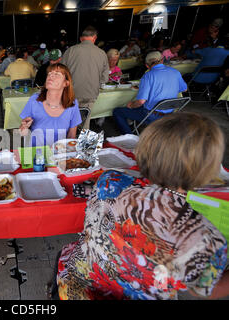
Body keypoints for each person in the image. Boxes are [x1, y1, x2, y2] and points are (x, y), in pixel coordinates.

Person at [53, 112, 229, 300]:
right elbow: (205, 289)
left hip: (74, 283)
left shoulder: (110, 180)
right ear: (208, 169)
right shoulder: (204, 237)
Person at [112, 51, 187, 134]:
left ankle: (129, 137)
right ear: (162, 60)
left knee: (118, 111)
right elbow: (184, 89)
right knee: (142, 107)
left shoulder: (148, 76)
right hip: (170, 114)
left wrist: (131, 105)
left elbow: (141, 102)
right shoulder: (175, 72)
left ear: (147, 66)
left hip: (152, 116)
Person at [19, 63, 81, 146]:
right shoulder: (34, 100)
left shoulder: (72, 104)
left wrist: (69, 156)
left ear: (66, 83)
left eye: (57, 74)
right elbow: (22, 133)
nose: (51, 76)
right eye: (49, 73)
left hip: (59, 154)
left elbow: (71, 136)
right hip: (36, 154)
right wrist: (24, 128)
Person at [61, 26, 110, 130]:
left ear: (81, 38)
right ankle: (83, 140)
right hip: (91, 94)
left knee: (70, 119)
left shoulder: (70, 51)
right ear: (94, 38)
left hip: (72, 93)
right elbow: (105, 79)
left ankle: (69, 140)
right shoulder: (102, 53)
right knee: (86, 120)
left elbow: (61, 73)